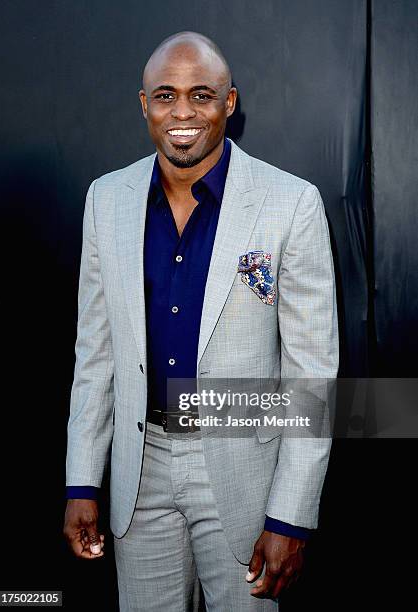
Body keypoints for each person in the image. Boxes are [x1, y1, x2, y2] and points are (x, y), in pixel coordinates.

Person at [63, 30, 338, 611]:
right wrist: (83, 481)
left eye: (201, 96)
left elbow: (311, 377)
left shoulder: (291, 203)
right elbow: (97, 355)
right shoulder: (105, 200)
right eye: (165, 95)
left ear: (228, 103)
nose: (182, 112)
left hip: (244, 470)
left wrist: (291, 514)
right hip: (141, 471)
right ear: (144, 105)